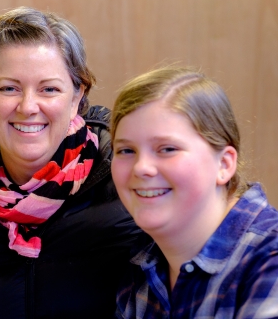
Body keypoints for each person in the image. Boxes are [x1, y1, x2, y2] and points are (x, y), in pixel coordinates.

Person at [0, 6, 141, 319]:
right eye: (9, 88)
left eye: (49, 89)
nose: (28, 107)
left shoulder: (130, 184)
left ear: (78, 95)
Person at [110, 65, 278, 318]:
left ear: (224, 164)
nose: (142, 167)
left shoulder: (270, 259)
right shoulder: (143, 263)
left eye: (167, 149)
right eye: (126, 151)